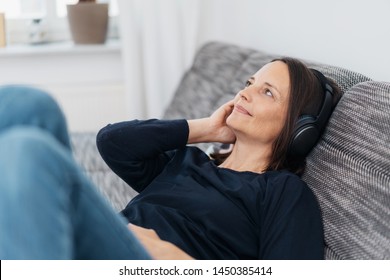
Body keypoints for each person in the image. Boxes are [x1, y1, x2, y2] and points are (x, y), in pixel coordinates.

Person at [0, 57, 341, 260]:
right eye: (249, 82)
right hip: (107, 241)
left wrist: (172, 258)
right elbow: (113, 143)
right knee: (32, 106)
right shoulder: (188, 161)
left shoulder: (282, 192)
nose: (244, 93)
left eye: (267, 92)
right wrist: (205, 128)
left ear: (300, 129)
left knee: (28, 151)